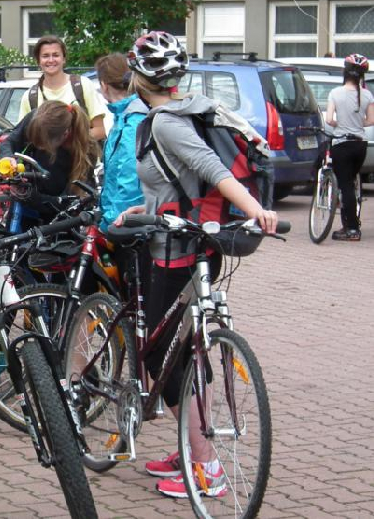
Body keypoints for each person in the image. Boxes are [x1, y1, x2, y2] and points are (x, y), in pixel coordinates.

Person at [116, 31, 277, 499]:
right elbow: (174, 181)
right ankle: (191, 445)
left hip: (176, 249)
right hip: (183, 237)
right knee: (184, 351)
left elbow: (212, 170)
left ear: (139, 76)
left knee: (164, 354)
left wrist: (255, 211)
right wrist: (139, 211)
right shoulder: (191, 106)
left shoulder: (167, 121)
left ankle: (205, 466)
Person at [0, 100, 91, 225]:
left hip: (57, 219)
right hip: (26, 205)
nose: (37, 146)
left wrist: (31, 197)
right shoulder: (35, 119)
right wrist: (7, 157)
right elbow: (9, 142)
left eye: (42, 145)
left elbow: (68, 203)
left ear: (65, 135)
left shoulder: (85, 151)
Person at [17, 35, 108, 141]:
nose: (51, 60)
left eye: (56, 55)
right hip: (46, 158)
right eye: (45, 56)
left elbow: (100, 130)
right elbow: (23, 136)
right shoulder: (30, 96)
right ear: (38, 61)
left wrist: (69, 143)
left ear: (64, 59)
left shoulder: (83, 85)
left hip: (82, 157)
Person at [325, 53, 374, 241]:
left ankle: (352, 229)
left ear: (345, 71)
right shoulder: (367, 95)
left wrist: (340, 123)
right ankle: (349, 220)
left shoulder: (335, 93)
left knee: (344, 185)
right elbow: (371, 120)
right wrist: (356, 122)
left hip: (342, 143)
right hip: (360, 145)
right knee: (351, 182)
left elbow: (329, 119)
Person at [96, 53, 147, 231]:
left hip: (127, 226)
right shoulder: (124, 117)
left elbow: (130, 182)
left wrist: (107, 224)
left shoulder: (132, 122)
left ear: (104, 85)